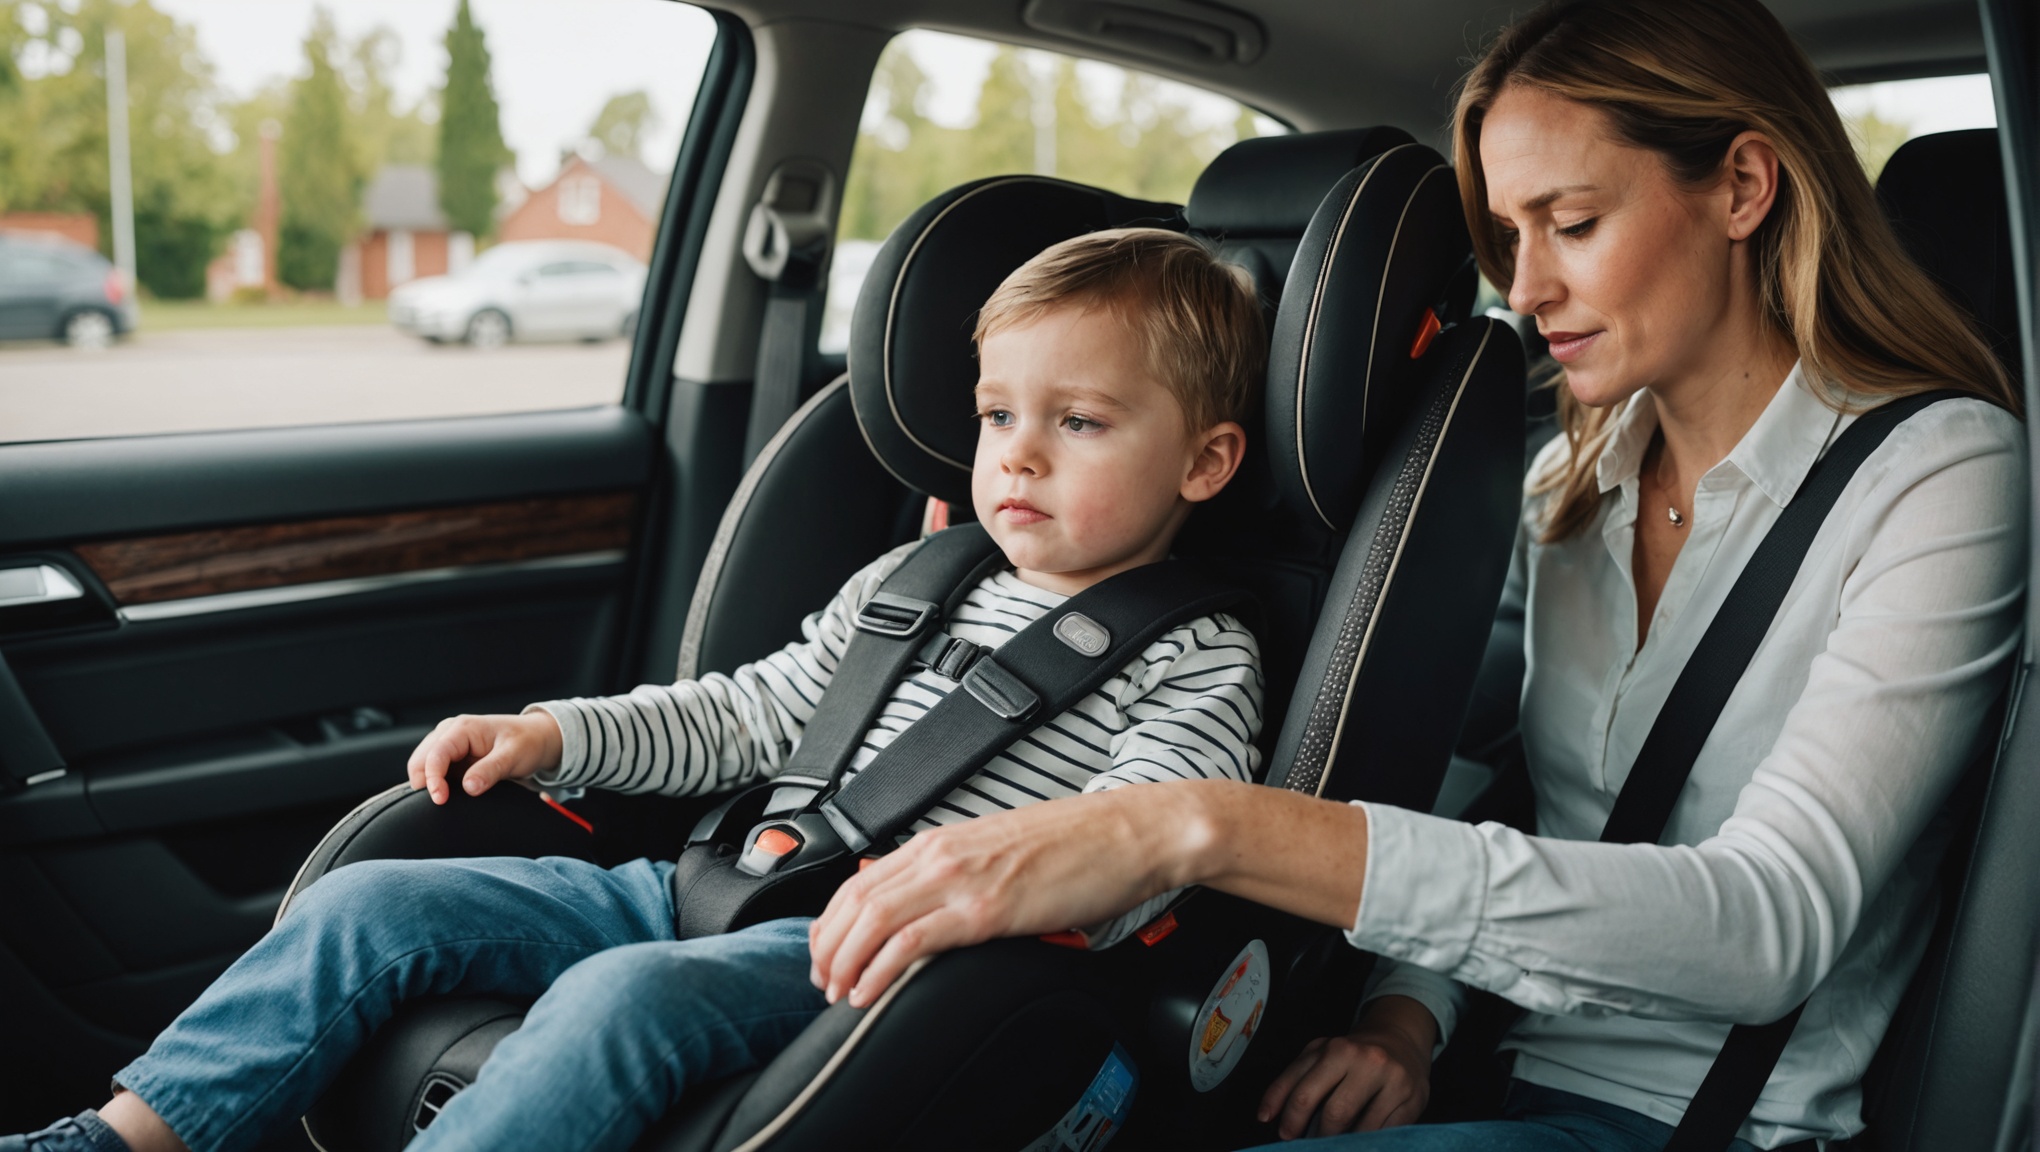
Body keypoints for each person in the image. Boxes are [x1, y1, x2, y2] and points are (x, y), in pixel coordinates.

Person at [802, 2, 2026, 1150]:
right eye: (1510, 235)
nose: (1528, 285)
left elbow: (1771, 925)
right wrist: (1410, 1017)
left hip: (1712, 1121)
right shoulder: (1567, 489)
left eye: (1574, 223)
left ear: (1743, 187)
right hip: (1501, 1060)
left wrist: (1192, 824)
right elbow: (1540, 809)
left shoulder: (1942, 474)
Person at [3, 227, 1269, 1152]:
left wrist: (980, 884)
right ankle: (119, 1142)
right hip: (703, 884)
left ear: (1206, 462)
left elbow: (1149, 850)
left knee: (627, 998)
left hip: (886, 967)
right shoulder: (919, 574)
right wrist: (558, 734)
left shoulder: (1198, 653)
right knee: (374, 904)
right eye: (998, 416)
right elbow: (751, 711)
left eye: (1082, 423)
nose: (1020, 455)